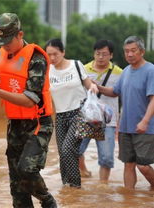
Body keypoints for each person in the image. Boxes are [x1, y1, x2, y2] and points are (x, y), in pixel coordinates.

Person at [0, 13, 57, 208]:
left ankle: (47, 200)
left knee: (27, 170)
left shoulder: (36, 58)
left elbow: (30, 100)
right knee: (16, 183)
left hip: (38, 123)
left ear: (20, 34)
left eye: (7, 40)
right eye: (1, 40)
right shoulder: (1, 54)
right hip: (14, 123)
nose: (4, 45)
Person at [97, 36, 154, 189]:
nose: (129, 54)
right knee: (128, 165)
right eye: (126, 51)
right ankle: (129, 199)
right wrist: (97, 87)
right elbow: (115, 92)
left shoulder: (150, 70)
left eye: (133, 51)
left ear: (142, 51)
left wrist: (145, 121)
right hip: (125, 127)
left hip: (145, 128)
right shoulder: (126, 71)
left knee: (143, 165)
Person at [44, 38, 98, 188]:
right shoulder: (47, 70)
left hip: (79, 113)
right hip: (60, 116)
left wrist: (93, 87)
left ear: (63, 52)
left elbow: (88, 83)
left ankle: (75, 187)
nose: (52, 58)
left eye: (55, 54)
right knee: (63, 154)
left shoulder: (76, 65)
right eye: (49, 55)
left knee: (68, 150)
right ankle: (66, 188)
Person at [78, 40, 123, 182]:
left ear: (111, 55)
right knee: (75, 150)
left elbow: (117, 93)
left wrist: (97, 87)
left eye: (104, 54)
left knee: (106, 157)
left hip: (108, 121)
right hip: (86, 118)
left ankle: (103, 184)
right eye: (98, 54)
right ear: (94, 54)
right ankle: (84, 171)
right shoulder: (83, 69)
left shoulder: (119, 72)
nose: (101, 57)